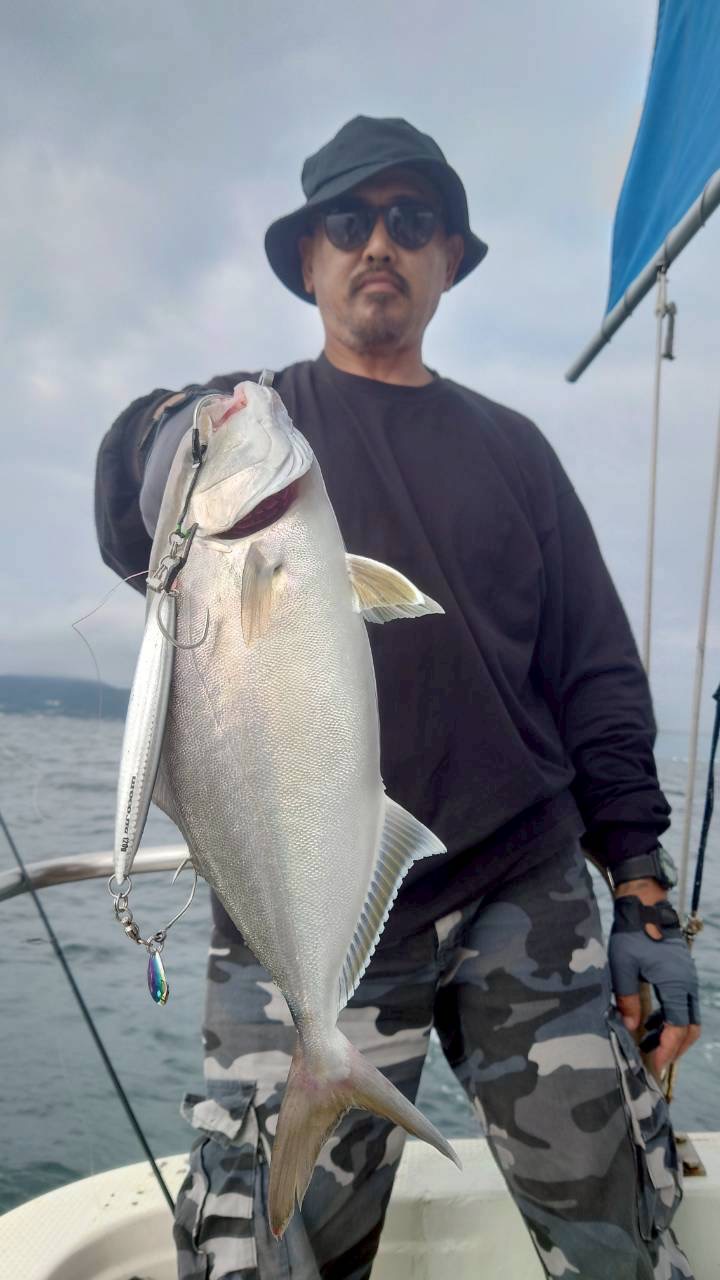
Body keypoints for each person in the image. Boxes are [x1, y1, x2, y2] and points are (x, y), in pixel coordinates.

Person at [95, 116, 701, 1280]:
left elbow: (596, 675)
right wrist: (162, 442)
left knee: (615, 1231)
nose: (379, 243)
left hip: (523, 882)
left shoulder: (516, 451)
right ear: (309, 257)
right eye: (349, 220)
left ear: (448, 257)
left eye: (411, 220)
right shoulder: (250, 423)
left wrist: (641, 884)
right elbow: (128, 497)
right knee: (270, 1248)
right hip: (301, 896)